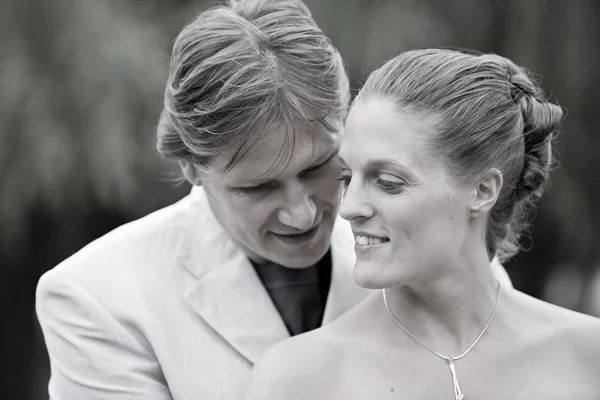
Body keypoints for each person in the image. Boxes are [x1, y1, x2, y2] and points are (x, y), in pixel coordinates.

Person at [35, 2, 511, 398]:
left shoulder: (438, 249)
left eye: (319, 167)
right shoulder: (97, 297)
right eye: (257, 187)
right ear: (191, 167)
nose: (303, 213)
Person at [245, 49, 600, 400]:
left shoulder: (588, 355)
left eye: (387, 181)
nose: (348, 208)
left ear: (482, 190)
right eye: (346, 176)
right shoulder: (295, 380)